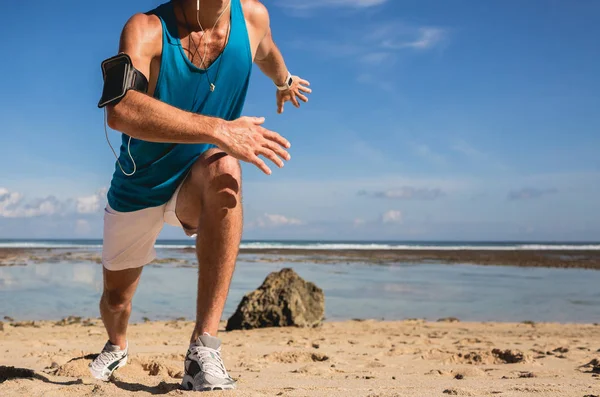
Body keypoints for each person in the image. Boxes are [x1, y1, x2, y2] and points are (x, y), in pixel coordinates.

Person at [89, 0, 311, 391]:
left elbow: (268, 52)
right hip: (138, 186)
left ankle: (203, 349)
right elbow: (120, 109)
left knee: (225, 170)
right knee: (116, 300)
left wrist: (284, 81)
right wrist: (218, 128)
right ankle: (117, 344)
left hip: (195, 179)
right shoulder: (146, 29)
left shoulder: (253, 18)